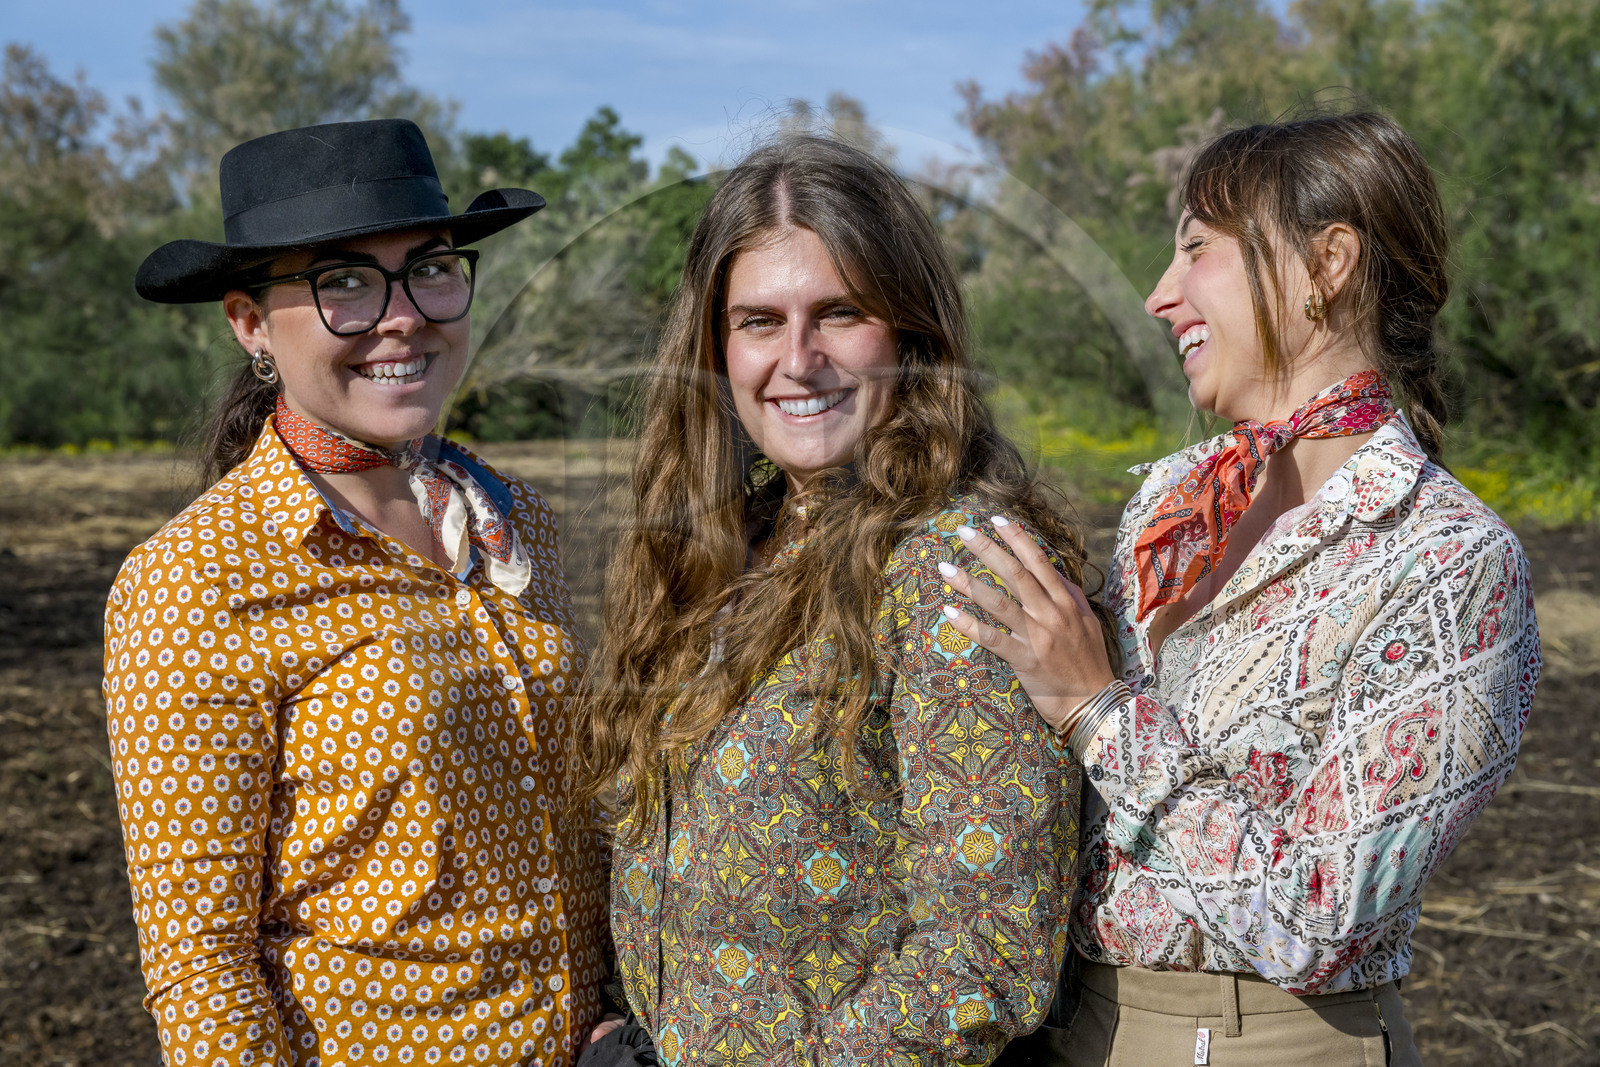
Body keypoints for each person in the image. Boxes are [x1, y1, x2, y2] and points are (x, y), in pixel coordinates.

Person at [941, 111, 1542, 1065]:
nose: (1157, 295)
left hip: (1277, 1040)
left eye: (1195, 251)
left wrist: (1100, 710)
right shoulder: (1173, 507)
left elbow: (1317, 915)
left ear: (1327, 263)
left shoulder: (1449, 561)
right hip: (1078, 1029)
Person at [572, 135, 1108, 1065]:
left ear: (908, 331)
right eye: (758, 322)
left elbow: (985, 952)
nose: (799, 357)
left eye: (840, 313)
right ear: (714, 347)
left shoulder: (959, 566)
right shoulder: (723, 551)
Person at [106, 119, 609, 1066]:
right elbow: (202, 968)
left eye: (430, 267)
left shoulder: (517, 524)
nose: (404, 314)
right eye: (342, 282)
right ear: (250, 323)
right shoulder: (198, 581)